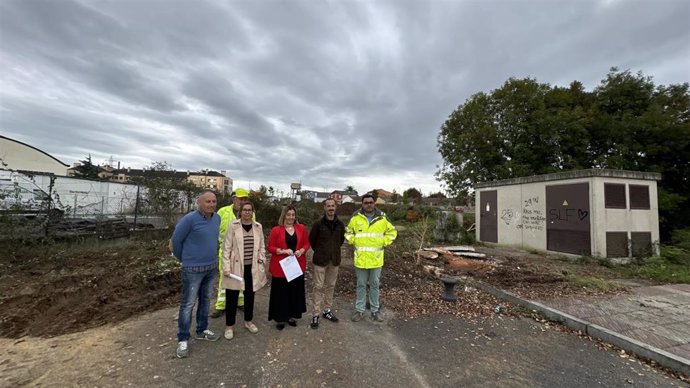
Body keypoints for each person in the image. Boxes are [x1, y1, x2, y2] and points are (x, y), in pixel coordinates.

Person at [171, 190, 222, 358]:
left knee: (206, 301)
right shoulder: (189, 220)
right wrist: (184, 259)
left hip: (210, 268)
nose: (212, 204)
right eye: (208, 201)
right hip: (192, 270)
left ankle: (202, 330)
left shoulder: (217, 219)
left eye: (214, 201)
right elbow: (175, 242)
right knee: (188, 304)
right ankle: (183, 338)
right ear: (199, 202)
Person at [345, 194, 397, 322]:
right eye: (366, 202)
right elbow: (348, 232)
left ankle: (375, 310)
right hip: (361, 259)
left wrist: (384, 242)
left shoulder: (382, 218)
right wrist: (354, 240)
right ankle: (360, 310)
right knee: (361, 285)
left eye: (371, 202)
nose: (369, 204)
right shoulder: (356, 218)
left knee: (374, 285)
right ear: (362, 204)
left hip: (376, 259)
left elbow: (392, 232)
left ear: (374, 203)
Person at [221, 202, 268, 340]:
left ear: (252, 212)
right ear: (240, 212)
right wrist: (226, 267)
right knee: (232, 296)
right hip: (235, 267)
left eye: (249, 210)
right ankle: (229, 326)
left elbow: (262, 247)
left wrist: (261, 260)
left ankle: (248, 321)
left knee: (250, 295)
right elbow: (226, 248)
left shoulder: (258, 227)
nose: (247, 212)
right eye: (244, 210)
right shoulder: (233, 226)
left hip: (251, 267)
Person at [267, 205, 309, 330]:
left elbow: (307, 243)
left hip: (296, 266)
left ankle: (291, 316)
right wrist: (283, 251)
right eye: (288, 214)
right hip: (280, 267)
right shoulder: (276, 230)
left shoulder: (301, 228)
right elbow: (270, 247)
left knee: (294, 292)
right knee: (281, 293)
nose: (291, 217)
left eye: (293, 215)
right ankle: (280, 318)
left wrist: (301, 250)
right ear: (284, 215)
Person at [211, 188, 251, 318]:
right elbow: (213, 230)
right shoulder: (223, 212)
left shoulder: (250, 213)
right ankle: (221, 305)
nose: (243, 201)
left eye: (245, 199)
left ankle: (239, 302)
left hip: (242, 252)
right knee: (225, 277)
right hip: (226, 252)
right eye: (241, 198)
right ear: (234, 199)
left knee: (240, 277)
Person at [308, 198, 345, 329]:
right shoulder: (318, 224)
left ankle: (327, 311)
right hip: (320, 261)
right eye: (328, 206)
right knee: (318, 286)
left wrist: (332, 251)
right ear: (324, 208)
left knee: (330, 286)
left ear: (336, 207)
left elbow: (341, 240)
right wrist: (321, 251)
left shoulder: (340, 224)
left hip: (334, 260)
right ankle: (316, 313)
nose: (330, 208)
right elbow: (312, 240)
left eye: (332, 206)